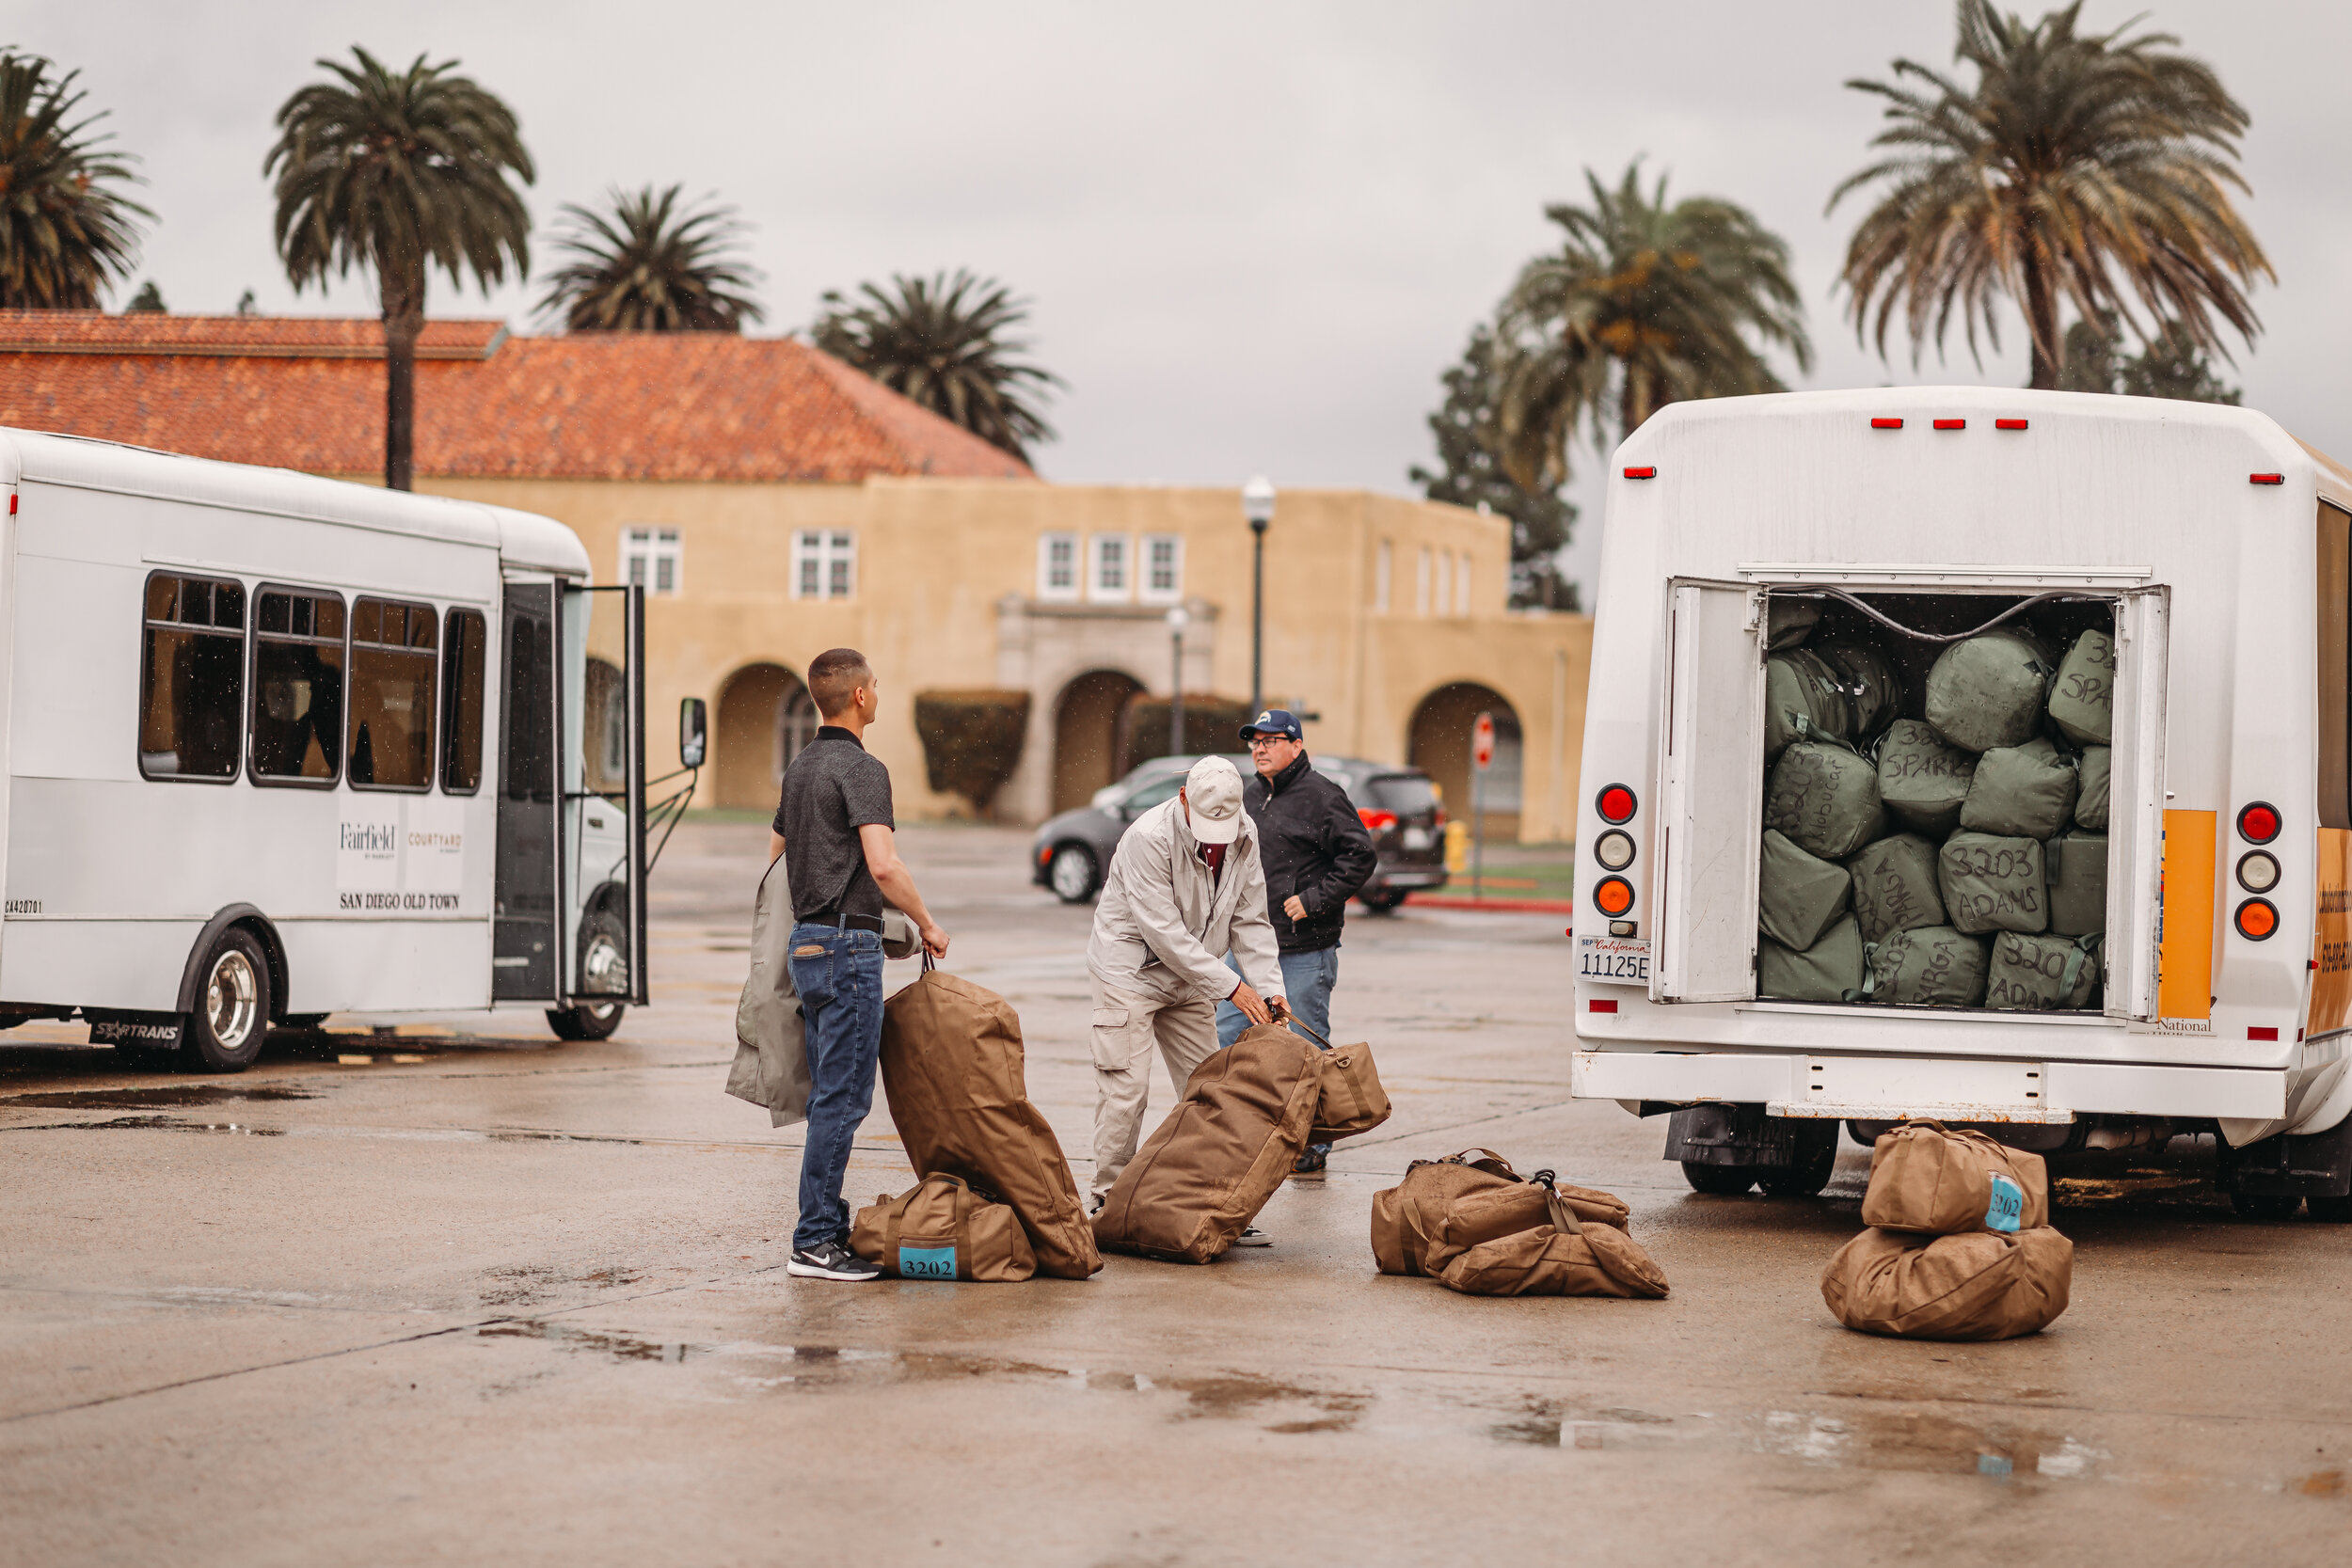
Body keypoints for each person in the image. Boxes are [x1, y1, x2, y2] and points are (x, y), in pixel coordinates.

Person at [769, 647, 949, 1281]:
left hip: (811, 946)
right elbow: (883, 863)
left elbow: (776, 857)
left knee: (830, 1095)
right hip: (847, 951)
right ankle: (815, 1239)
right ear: (859, 697)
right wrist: (926, 922)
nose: (877, 691)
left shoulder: (800, 768)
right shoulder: (862, 768)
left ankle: (825, 1220)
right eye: (873, 684)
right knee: (843, 1100)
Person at [1087, 755, 1286, 1239]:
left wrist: (1272, 992)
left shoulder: (1245, 834)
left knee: (1208, 1090)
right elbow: (1165, 934)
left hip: (1194, 976)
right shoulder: (1147, 838)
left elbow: (1251, 920)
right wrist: (1235, 988)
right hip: (1129, 971)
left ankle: (1207, 1199)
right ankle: (1107, 1201)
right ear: (1182, 800)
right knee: (1126, 1092)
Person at [1216, 708, 1376, 1175]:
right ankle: (1242, 1135)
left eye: (1271, 740)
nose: (1260, 748)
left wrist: (1315, 899)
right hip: (1247, 946)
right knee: (1231, 1036)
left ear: (1296, 745)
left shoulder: (1324, 796)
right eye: (1255, 741)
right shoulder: (1248, 796)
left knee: (1305, 1050)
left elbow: (1360, 855)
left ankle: (1310, 1145)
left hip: (1305, 949)